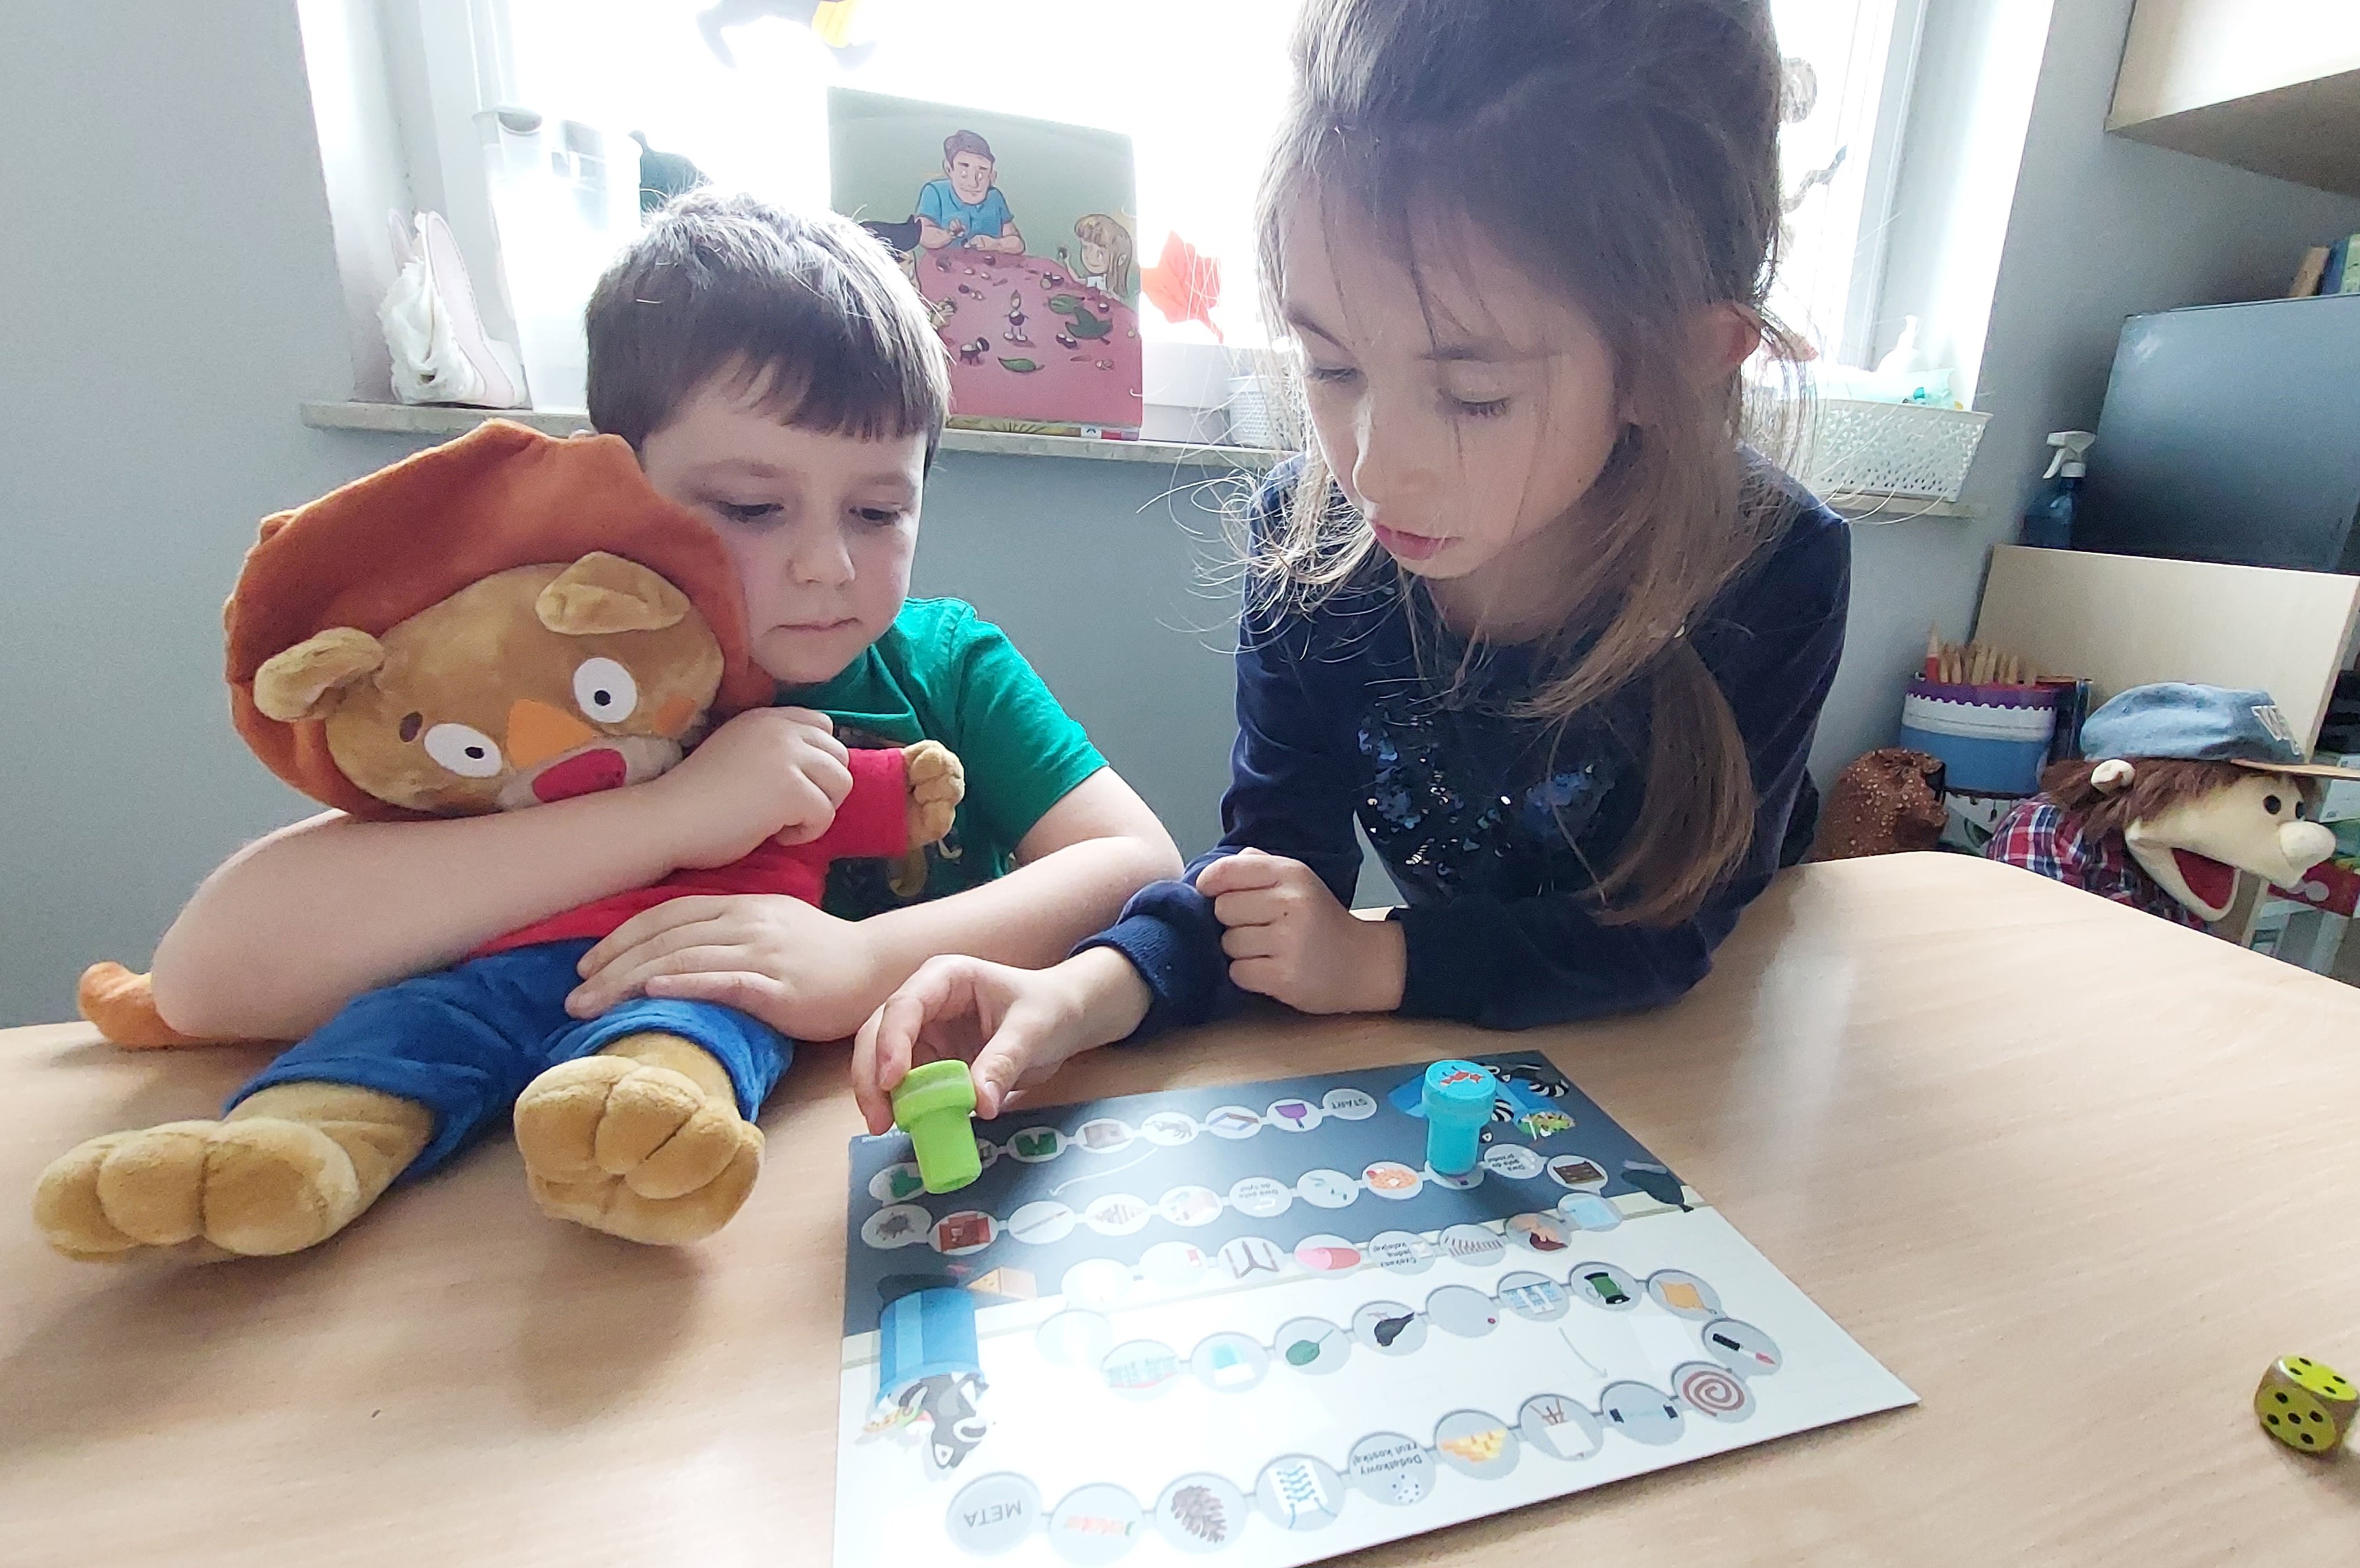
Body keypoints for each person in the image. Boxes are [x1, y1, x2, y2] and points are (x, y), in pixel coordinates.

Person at [849, 0, 1851, 1132]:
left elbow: (1666, 933)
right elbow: (1271, 879)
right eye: (1330, 366)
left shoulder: (1770, 569)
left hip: (1698, 1054)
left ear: (1673, 362)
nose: (1375, 469)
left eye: (1472, 396)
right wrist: (1081, 991)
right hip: (1486, 1063)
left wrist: (1378, 960)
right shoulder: (1309, 539)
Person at [152, 192, 1179, 1117]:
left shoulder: (945, 664)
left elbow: (1136, 863)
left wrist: (864, 960)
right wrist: (669, 814)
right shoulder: (552, 687)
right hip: (620, 1154)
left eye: (877, 511)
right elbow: (206, 981)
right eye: (751, 507)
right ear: (622, 486)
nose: (826, 565)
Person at [916, 130, 1024, 255]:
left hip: (989, 265)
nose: (973, 183)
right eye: (964, 172)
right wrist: (949, 235)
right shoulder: (935, 192)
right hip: (944, 264)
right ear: (949, 169)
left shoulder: (994, 197)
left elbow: (1018, 245)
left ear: (991, 175)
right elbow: (922, 235)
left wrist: (996, 244)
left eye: (982, 172)